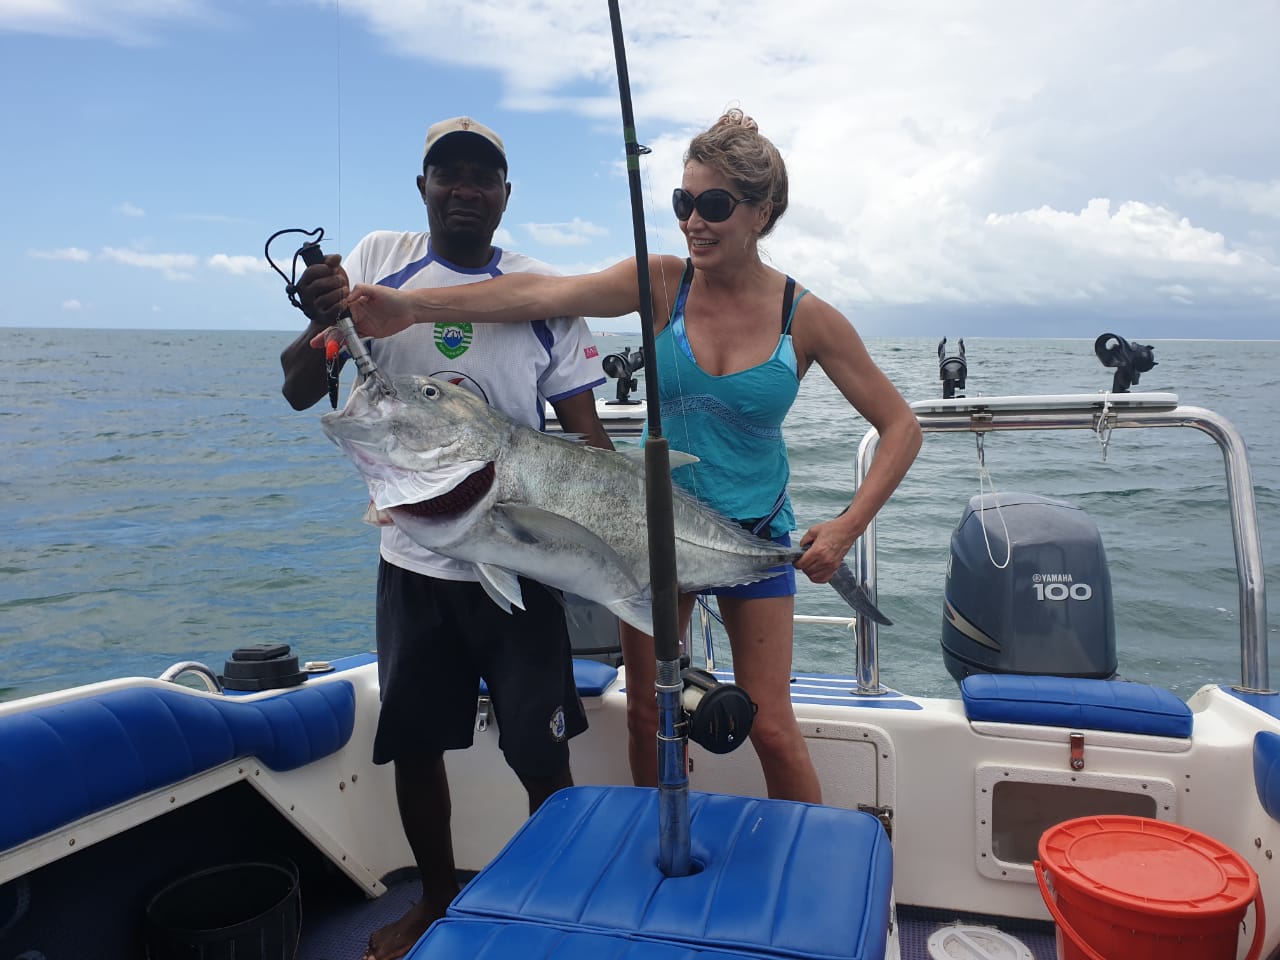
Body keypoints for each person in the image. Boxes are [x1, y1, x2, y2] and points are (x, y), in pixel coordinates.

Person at [336, 108, 923, 805]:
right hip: (646, 529)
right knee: (652, 714)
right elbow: (537, 294)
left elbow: (900, 426)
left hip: (758, 531)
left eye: (713, 205)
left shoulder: (809, 317)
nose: (693, 222)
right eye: (682, 203)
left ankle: (814, 866)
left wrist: (849, 525)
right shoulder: (664, 283)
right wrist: (413, 309)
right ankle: (663, 859)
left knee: (770, 725)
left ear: (764, 212)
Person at [280, 116, 614, 960]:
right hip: (414, 560)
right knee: (417, 744)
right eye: (447, 175)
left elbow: (590, 438)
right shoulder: (374, 262)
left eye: (482, 177)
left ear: (507, 195)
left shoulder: (542, 289)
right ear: (422, 187)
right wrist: (323, 320)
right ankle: (432, 898)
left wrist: (631, 535)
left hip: (514, 555)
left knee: (542, 752)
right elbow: (297, 386)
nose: (464, 189)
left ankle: (558, 897)